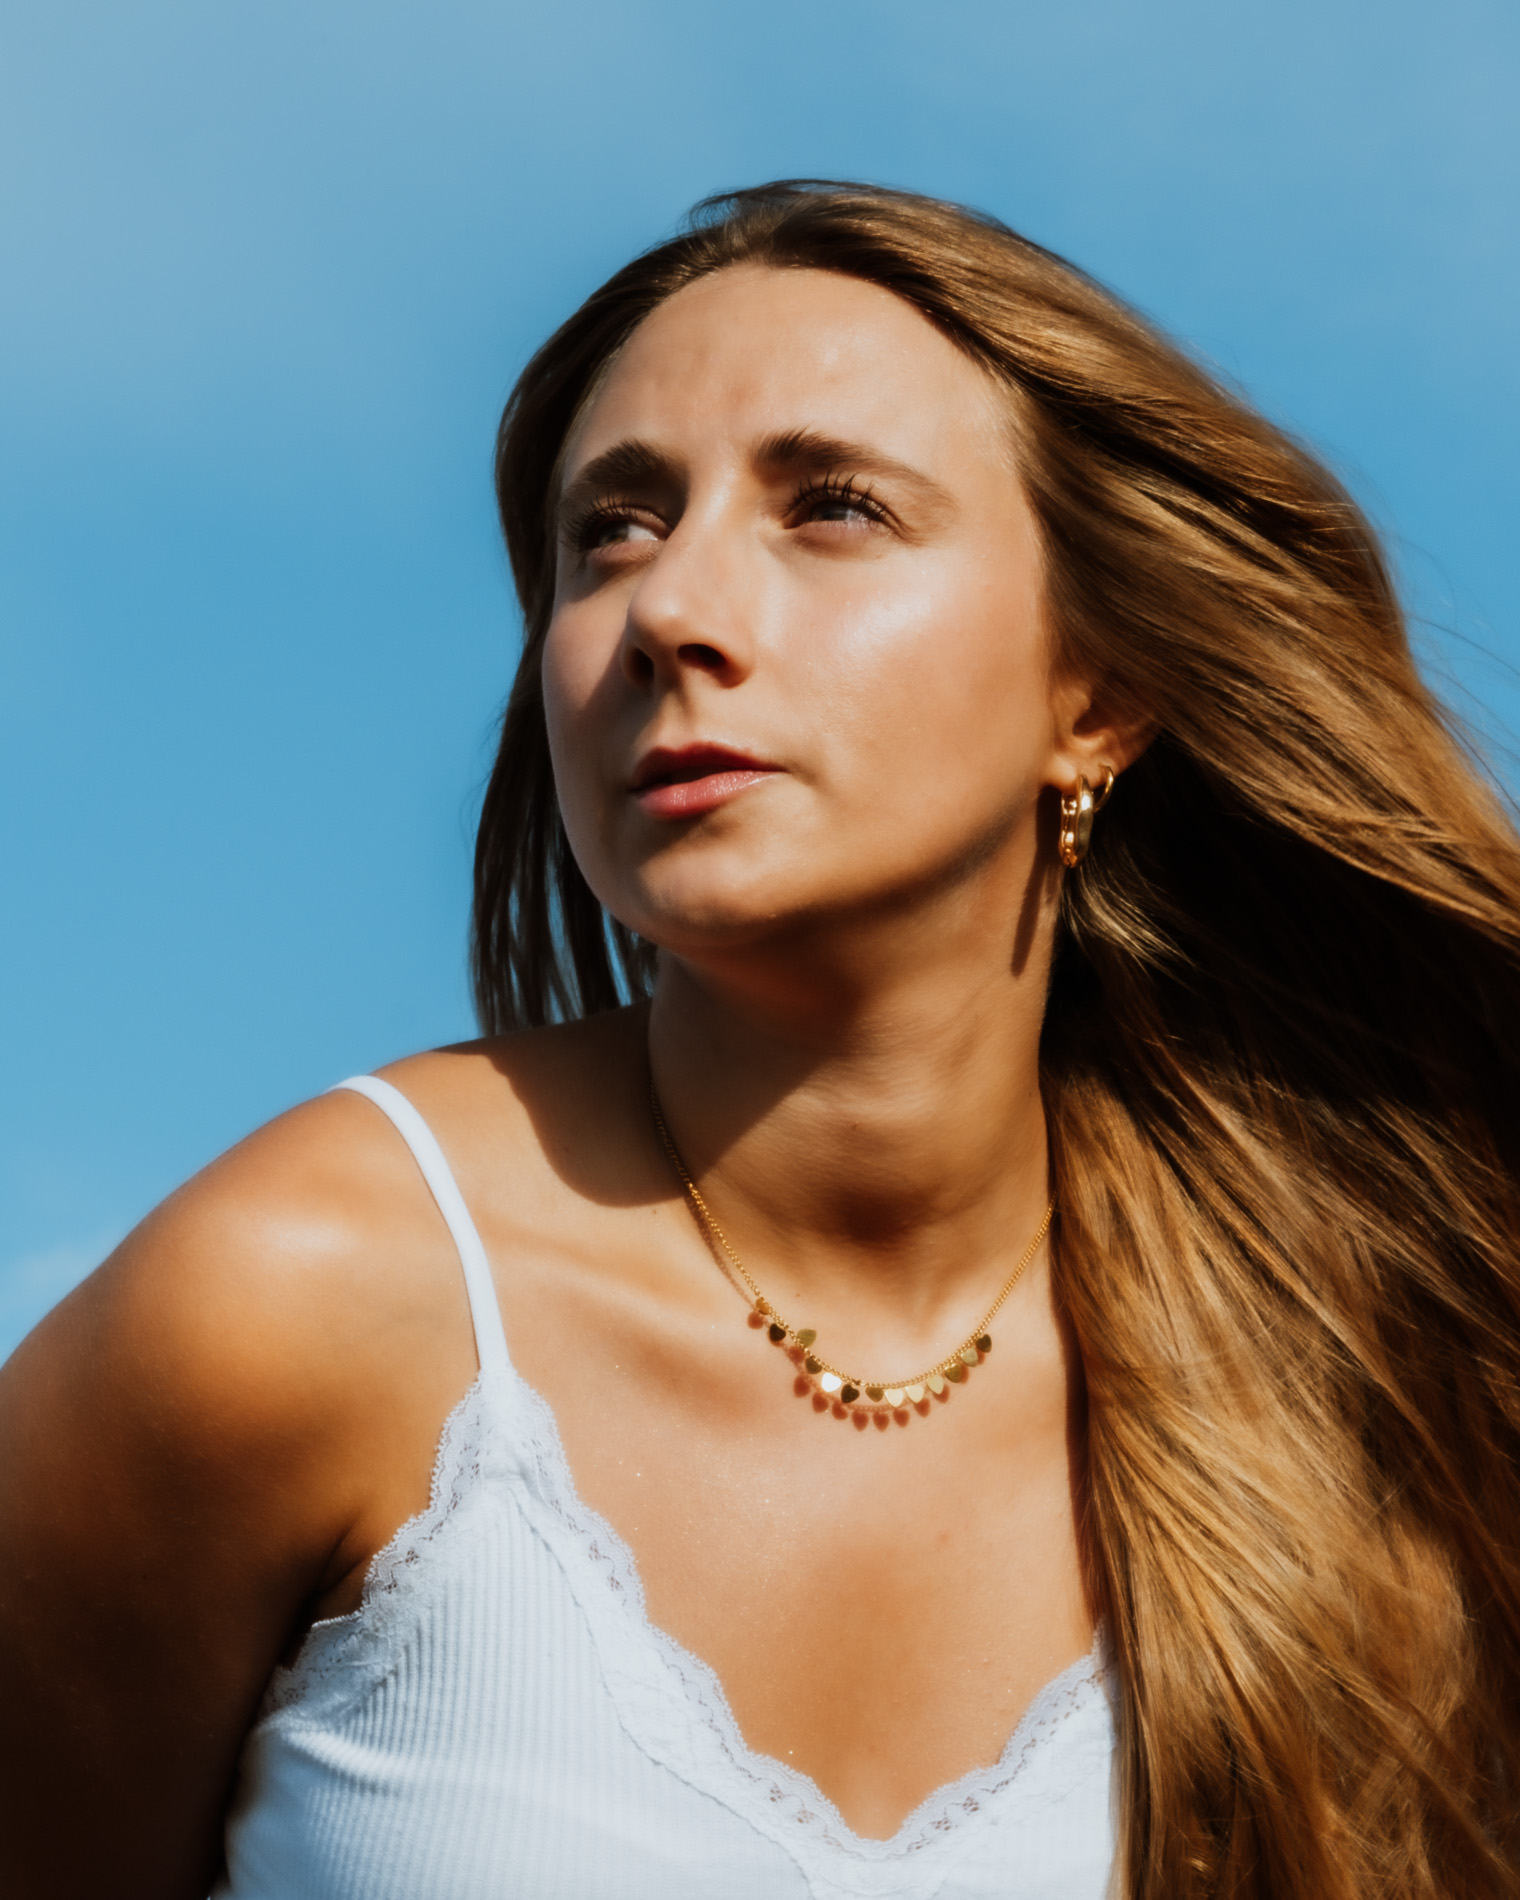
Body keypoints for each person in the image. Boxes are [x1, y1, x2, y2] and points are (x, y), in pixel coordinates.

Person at [2, 180, 1518, 1900]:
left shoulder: (1340, 1382)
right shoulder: (300, 1302)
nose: (667, 611)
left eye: (835, 508)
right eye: (613, 530)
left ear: (1092, 694)